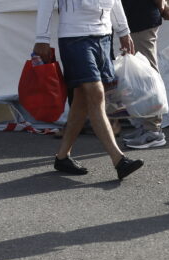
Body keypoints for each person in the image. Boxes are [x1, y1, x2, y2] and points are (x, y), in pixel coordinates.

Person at [34, 0, 144, 181]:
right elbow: (45, 3)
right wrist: (42, 38)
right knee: (96, 93)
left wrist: (124, 31)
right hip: (74, 37)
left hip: (103, 36)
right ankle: (119, 160)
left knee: (82, 99)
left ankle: (62, 157)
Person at [121, 0, 169, 150]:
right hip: (136, 18)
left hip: (142, 19)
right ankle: (148, 125)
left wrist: (162, 7)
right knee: (141, 75)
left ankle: (153, 129)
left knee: (148, 75)